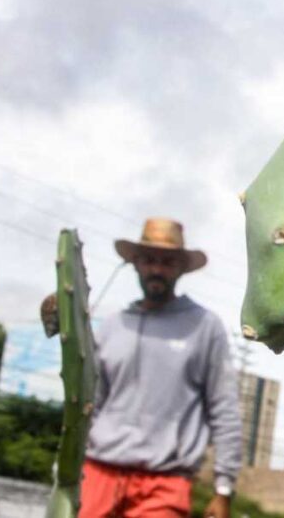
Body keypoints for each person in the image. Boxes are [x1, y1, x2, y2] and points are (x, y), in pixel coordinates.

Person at [78, 218, 241, 518]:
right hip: (98, 472)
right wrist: (67, 465)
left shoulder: (205, 327)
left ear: (180, 268)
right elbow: (91, 403)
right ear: (136, 264)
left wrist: (224, 487)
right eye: (149, 260)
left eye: (167, 262)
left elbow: (224, 408)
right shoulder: (113, 326)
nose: (157, 269)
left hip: (164, 482)